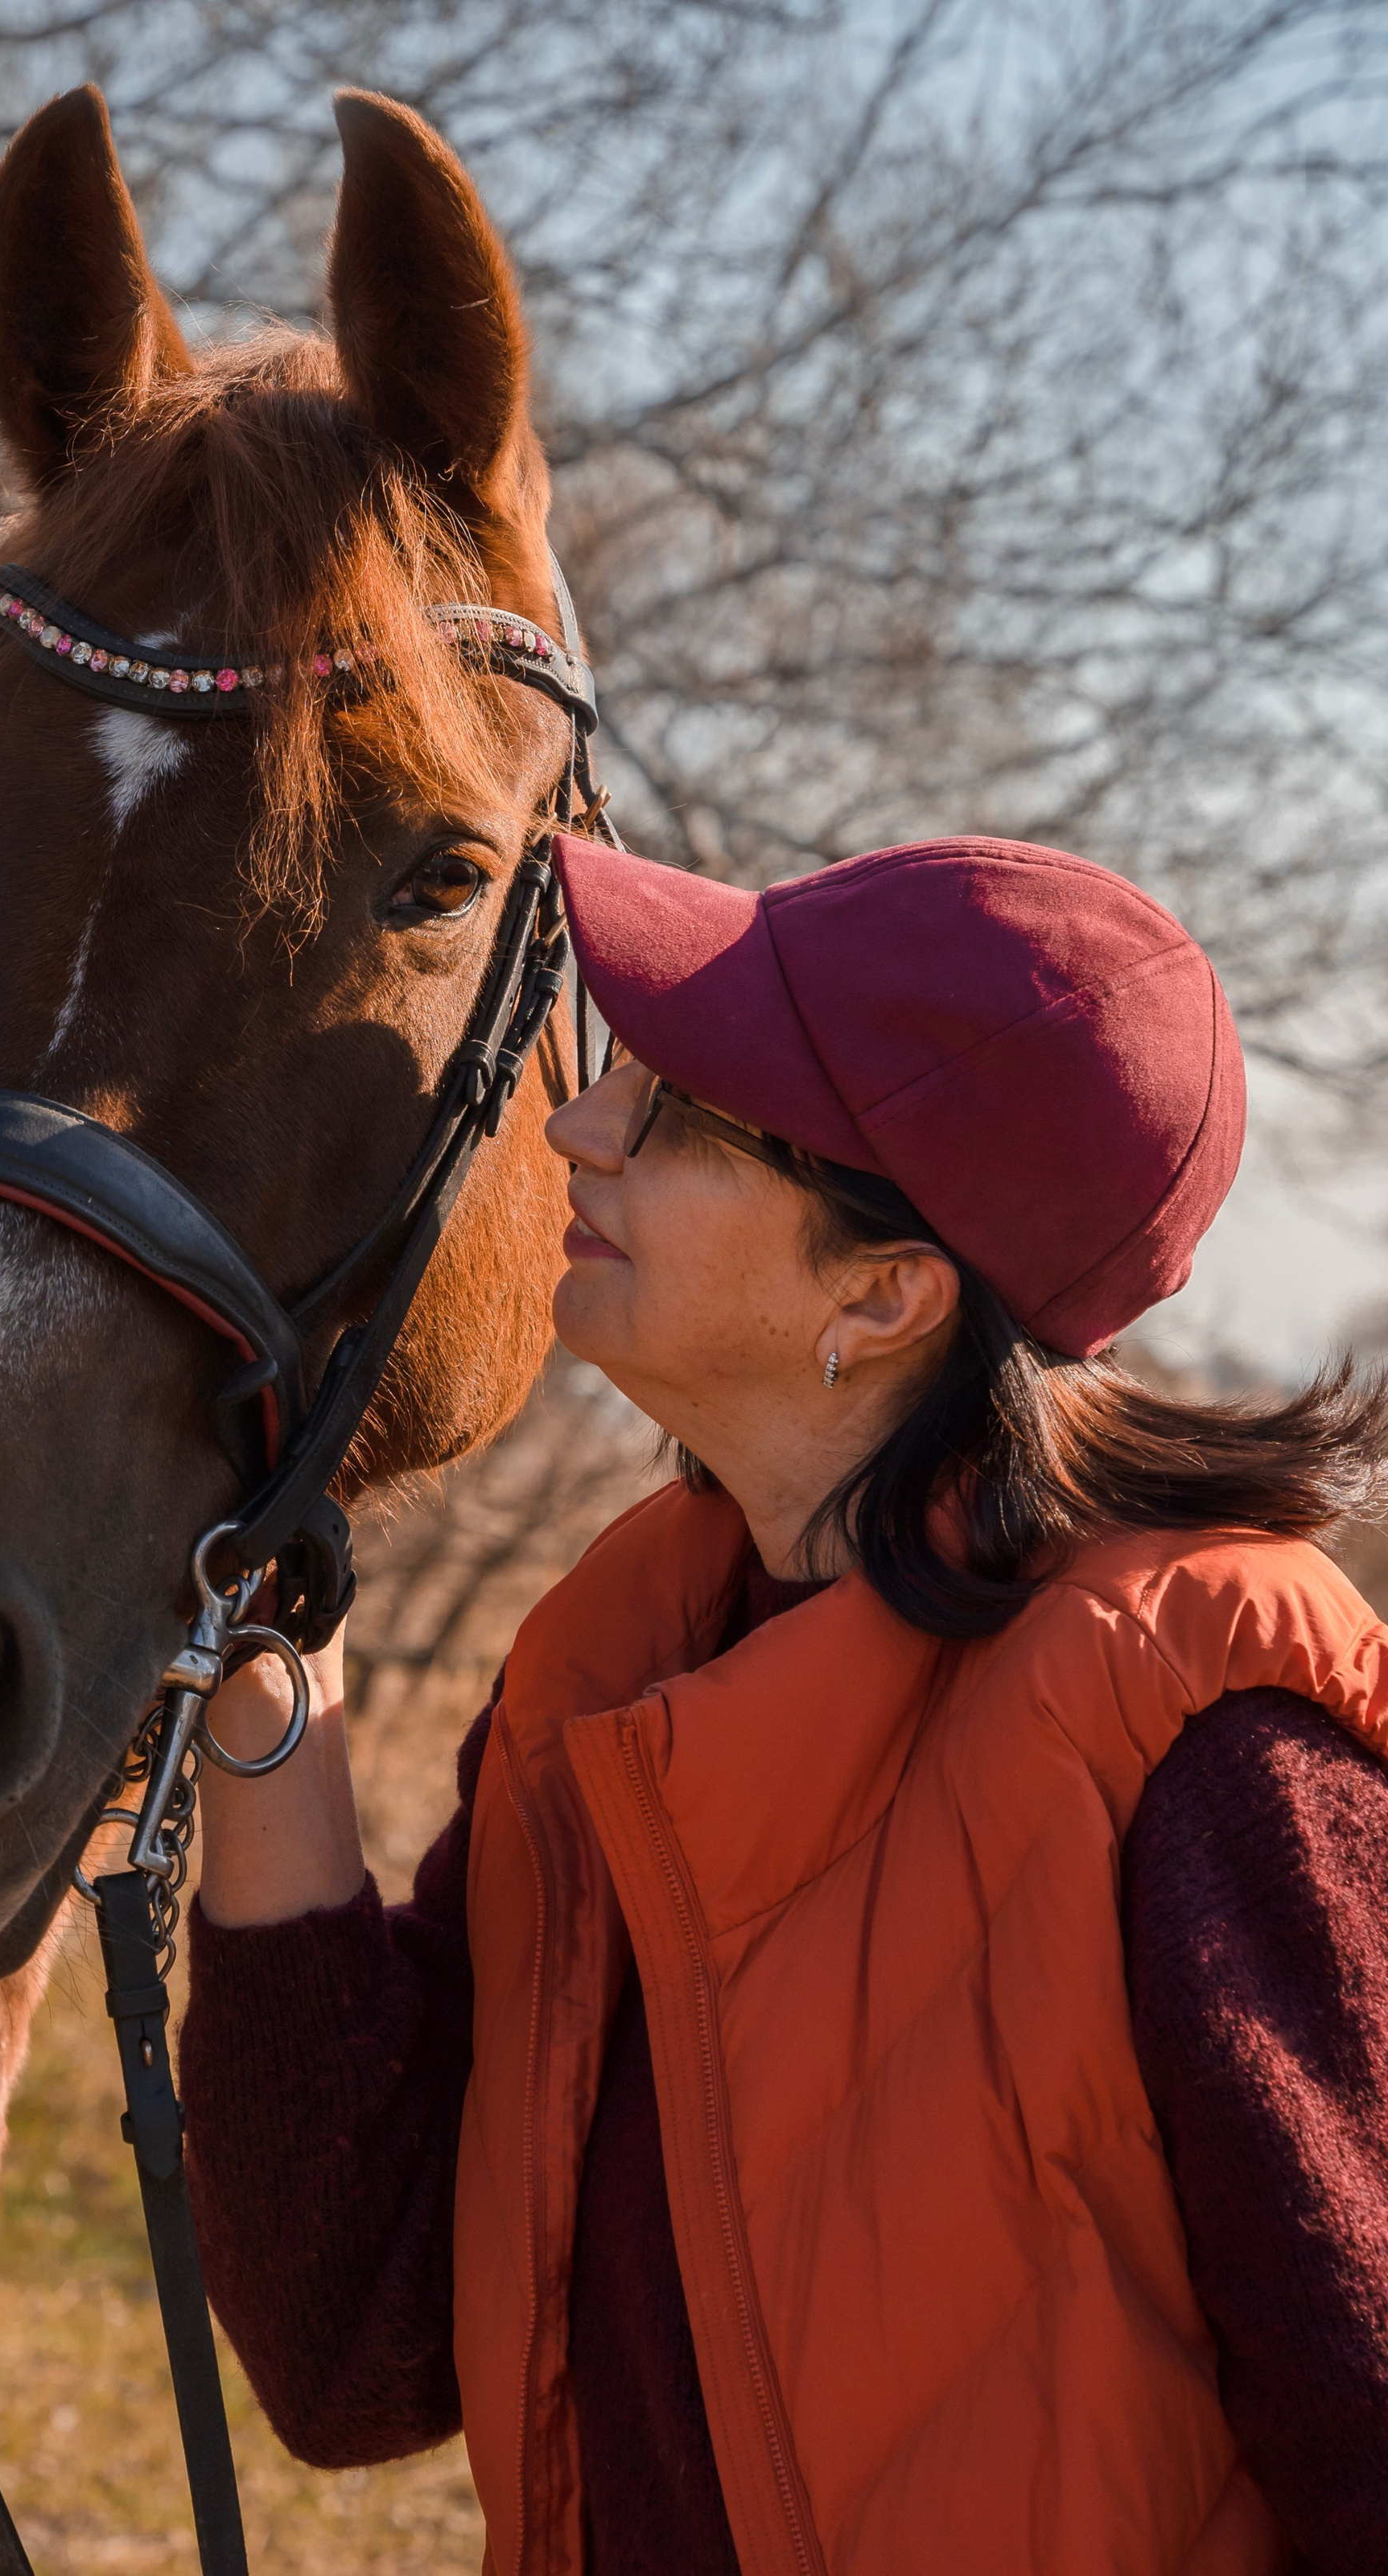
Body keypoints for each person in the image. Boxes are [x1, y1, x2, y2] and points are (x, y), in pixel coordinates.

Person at [177, 832, 1388, 2576]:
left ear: (881, 1294)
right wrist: (267, 1659)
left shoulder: (1195, 1737)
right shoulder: (613, 1666)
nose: (578, 1129)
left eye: (670, 1111)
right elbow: (354, 2342)